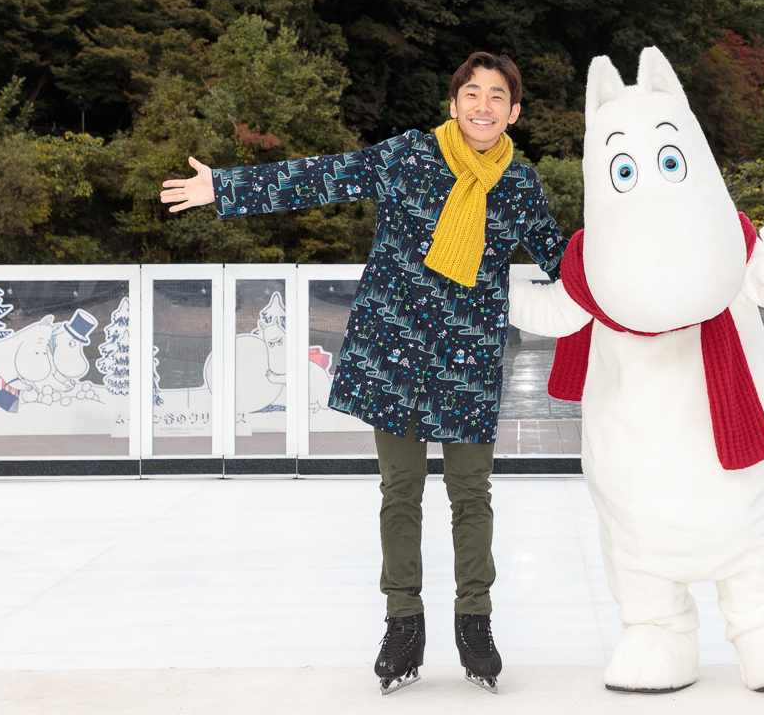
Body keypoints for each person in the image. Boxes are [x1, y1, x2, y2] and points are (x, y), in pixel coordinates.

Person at [161, 52, 567, 694]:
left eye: (497, 97)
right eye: (472, 92)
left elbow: (562, 256)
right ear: (453, 101)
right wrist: (226, 187)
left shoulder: (517, 184)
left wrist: (643, 281)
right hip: (397, 357)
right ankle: (402, 623)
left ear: (514, 113)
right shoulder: (410, 156)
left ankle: (475, 622)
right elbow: (325, 177)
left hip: (468, 362)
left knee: (471, 495)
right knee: (399, 492)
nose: (483, 106)